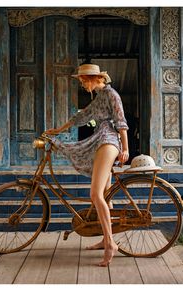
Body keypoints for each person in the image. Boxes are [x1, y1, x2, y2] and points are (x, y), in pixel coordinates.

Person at [45, 64, 129, 266]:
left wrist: (125, 148)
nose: (82, 84)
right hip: (101, 139)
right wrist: (58, 129)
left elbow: (121, 122)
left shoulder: (112, 94)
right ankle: (104, 238)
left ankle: (111, 244)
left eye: (83, 81)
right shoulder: (99, 97)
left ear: (94, 78)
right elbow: (81, 116)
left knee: (95, 195)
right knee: (105, 197)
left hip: (109, 141)